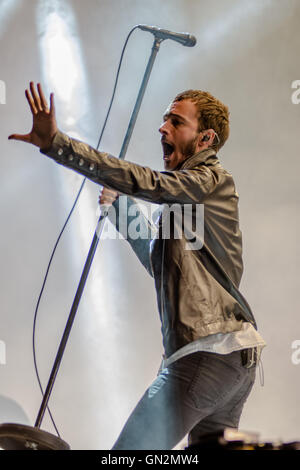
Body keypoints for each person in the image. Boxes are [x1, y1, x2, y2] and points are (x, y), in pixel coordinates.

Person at [9, 82, 266, 450]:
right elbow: (162, 264)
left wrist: (57, 144)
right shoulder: (192, 201)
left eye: (176, 122)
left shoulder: (211, 179)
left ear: (206, 138)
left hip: (206, 355)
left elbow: (149, 183)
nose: (163, 129)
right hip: (231, 362)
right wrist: (122, 210)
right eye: (164, 121)